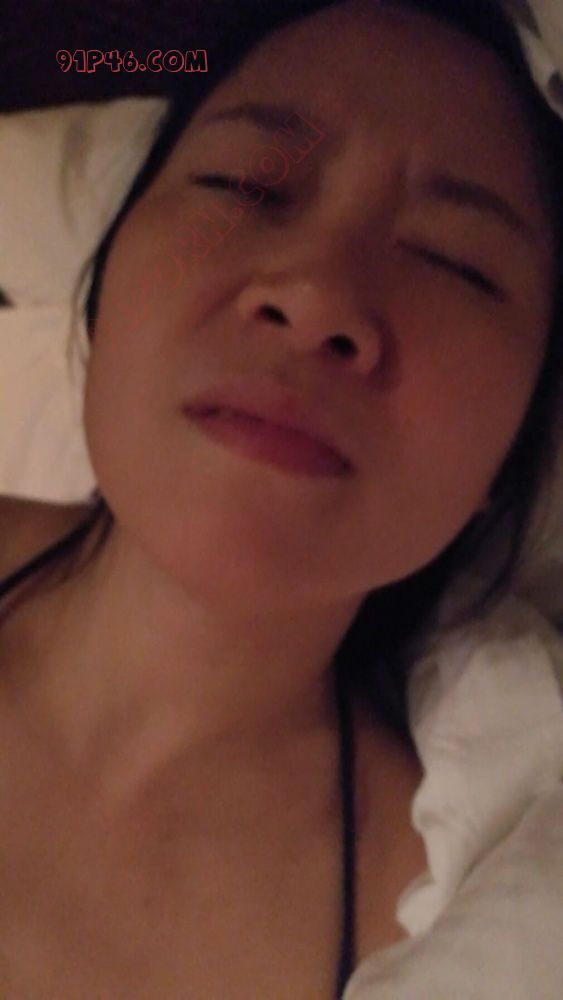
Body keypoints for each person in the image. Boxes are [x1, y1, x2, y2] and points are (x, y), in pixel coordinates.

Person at [0, 0, 562, 996]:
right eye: (243, 186)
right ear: (102, 295)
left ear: (508, 457)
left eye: (455, 264)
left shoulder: (439, 911)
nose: (316, 296)